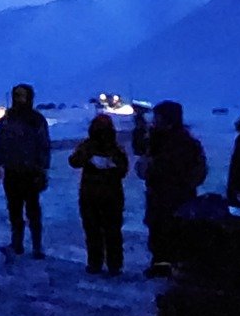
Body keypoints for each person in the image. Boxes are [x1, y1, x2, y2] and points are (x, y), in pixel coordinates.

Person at [137, 100, 207, 275]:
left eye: (158, 117)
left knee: (175, 230)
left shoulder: (184, 142)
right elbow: (140, 151)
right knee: (158, 230)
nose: (155, 120)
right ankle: (161, 265)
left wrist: (183, 182)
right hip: (158, 194)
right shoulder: (155, 139)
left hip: (177, 195)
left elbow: (198, 169)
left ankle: (176, 265)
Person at [0, 84, 51, 257]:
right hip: (12, 172)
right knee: (14, 210)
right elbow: (0, 143)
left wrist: (42, 169)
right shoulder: (7, 119)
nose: (19, 99)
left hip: (31, 172)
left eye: (22, 96)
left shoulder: (36, 120)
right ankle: (16, 243)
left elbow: (44, 146)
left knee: (33, 210)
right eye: (16, 95)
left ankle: (37, 246)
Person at [68, 113, 130, 274]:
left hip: (103, 194)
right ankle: (102, 263)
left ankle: (109, 264)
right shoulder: (92, 146)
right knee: (99, 231)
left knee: (106, 231)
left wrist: (110, 165)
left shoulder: (113, 148)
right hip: (98, 195)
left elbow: (123, 169)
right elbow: (74, 161)